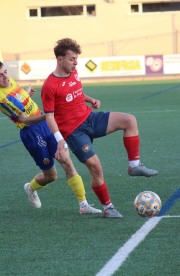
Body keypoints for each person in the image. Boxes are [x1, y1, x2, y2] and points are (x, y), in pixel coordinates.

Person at [41, 38, 158, 218]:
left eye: (76, 58)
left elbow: (75, 92)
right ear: (60, 59)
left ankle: (134, 166)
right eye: (72, 59)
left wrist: (89, 99)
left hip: (90, 118)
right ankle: (108, 208)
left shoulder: (73, 71)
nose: (76, 62)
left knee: (130, 121)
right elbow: (49, 116)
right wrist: (59, 139)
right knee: (96, 168)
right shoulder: (49, 85)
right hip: (74, 132)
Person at [0, 60, 101, 214]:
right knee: (51, 176)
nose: (5, 77)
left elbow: (20, 97)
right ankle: (30, 188)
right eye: (0, 76)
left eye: (5, 72)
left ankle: (84, 204)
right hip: (32, 133)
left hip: (46, 123)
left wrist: (26, 92)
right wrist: (49, 115)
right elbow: (24, 119)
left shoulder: (10, 81)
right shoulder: (2, 100)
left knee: (66, 161)